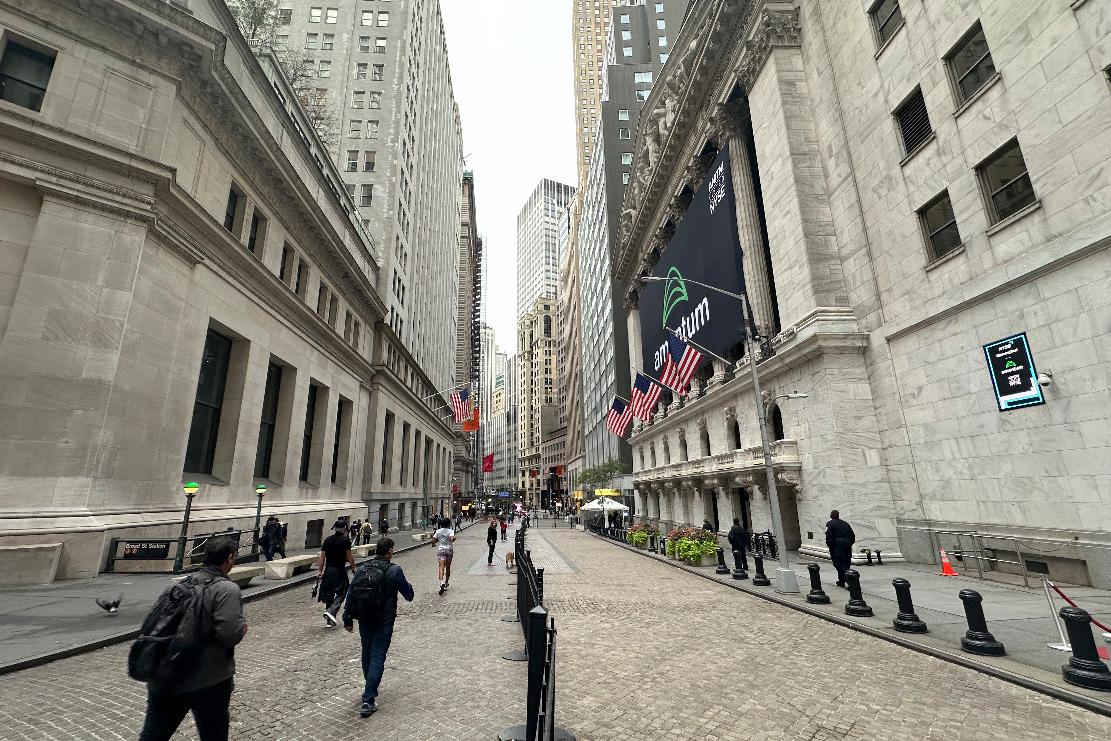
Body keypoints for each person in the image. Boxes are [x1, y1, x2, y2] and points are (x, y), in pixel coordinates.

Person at [138, 537, 247, 741]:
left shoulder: (177, 585)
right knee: (213, 734)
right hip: (208, 679)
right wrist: (242, 629)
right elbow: (229, 633)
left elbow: (153, 623)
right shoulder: (226, 589)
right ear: (229, 559)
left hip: (166, 673)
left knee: (153, 735)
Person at [343, 537, 414, 718]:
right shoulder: (394, 570)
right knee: (377, 654)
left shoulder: (363, 568)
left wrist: (347, 617)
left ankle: (370, 685)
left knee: (366, 652)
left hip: (364, 617)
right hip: (384, 620)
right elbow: (409, 595)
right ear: (389, 551)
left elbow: (351, 592)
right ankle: (368, 698)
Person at [317, 519, 356, 626]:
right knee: (343, 591)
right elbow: (349, 556)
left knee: (329, 594)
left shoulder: (327, 540)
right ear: (344, 528)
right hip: (339, 570)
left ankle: (329, 621)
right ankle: (331, 611)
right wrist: (353, 567)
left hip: (328, 570)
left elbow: (322, 557)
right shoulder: (345, 541)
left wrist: (320, 570)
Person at [825, 510, 856, 587]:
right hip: (847, 544)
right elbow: (852, 535)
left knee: (839, 564)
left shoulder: (830, 523)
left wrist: (831, 546)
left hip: (837, 545)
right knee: (846, 563)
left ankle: (850, 582)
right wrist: (849, 543)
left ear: (831, 516)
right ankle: (841, 581)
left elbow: (828, 535)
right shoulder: (845, 523)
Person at [433, 517, 456, 594]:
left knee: (441, 566)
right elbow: (452, 539)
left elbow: (433, 540)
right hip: (449, 550)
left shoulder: (438, 531)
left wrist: (438, 539)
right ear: (449, 524)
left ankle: (441, 582)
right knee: (448, 567)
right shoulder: (450, 531)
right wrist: (454, 538)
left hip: (441, 549)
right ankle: (446, 583)